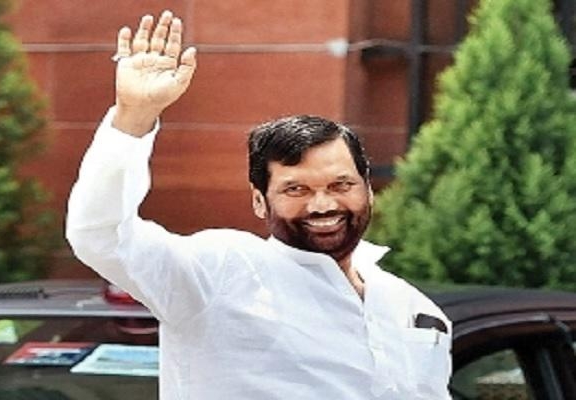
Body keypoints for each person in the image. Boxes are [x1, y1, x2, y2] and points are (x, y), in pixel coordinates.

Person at [66, 10, 452, 400]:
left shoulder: (410, 306)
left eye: (341, 185)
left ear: (367, 189)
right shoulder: (221, 271)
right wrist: (133, 117)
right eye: (296, 190)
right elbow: (102, 236)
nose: (322, 204)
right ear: (259, 201)